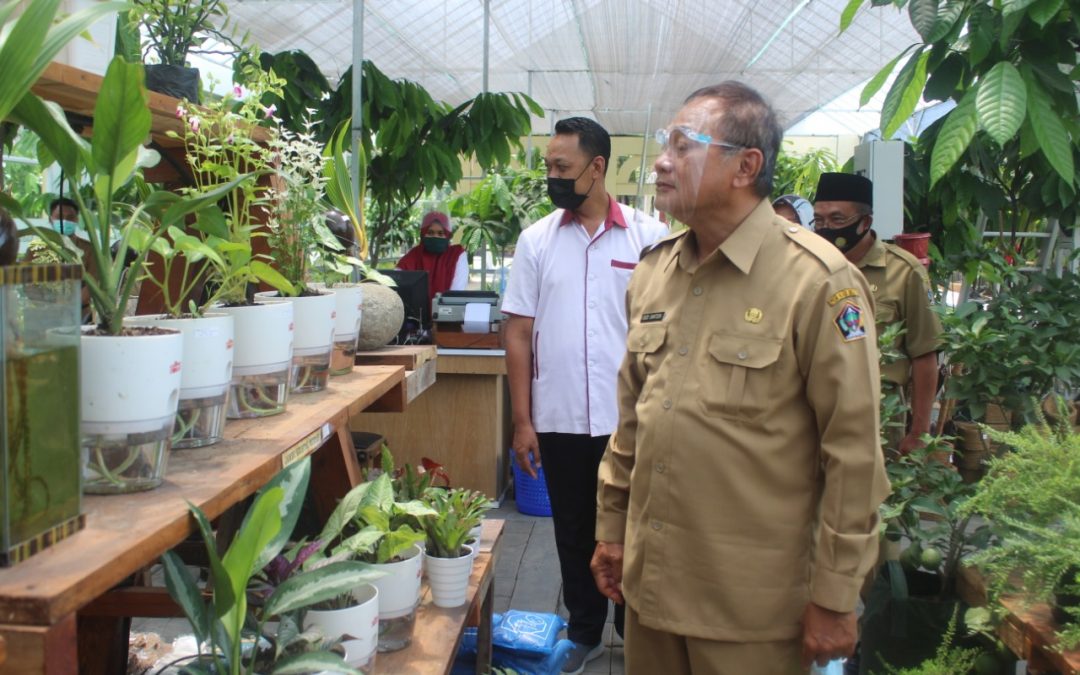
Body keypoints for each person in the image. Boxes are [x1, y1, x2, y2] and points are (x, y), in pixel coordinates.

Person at [590, 82, 889, 674]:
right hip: (650, 594)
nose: (662, 161)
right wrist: (611, 525)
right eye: (663, 143)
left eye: (684, 144)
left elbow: (853, 453)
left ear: (745, 166)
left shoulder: (819, 282)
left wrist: (835, 594)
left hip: (751, 612)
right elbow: (633, 422)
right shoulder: (654, 274)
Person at [502, 116, 667, 675]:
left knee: (638, 527)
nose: (552, 176)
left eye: (562, 168)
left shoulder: (649, 236)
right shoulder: (536, 241)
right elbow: (519, 332)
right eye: (548, 166)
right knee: (572, 527)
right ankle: (583, 630)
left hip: (635, 421)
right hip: (562, 415)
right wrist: (523, 422)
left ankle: (634, 630)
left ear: (597, 169)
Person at [812, 172, 943, 456]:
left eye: (837, 220)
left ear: (865, 222)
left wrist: (919, 432)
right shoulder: (806, 264)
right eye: (819, 220)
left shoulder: (903, 271)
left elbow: (924, 353)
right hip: (811, 410)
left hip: (878, 413)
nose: (826, 229)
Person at [396, 211, 469, 304]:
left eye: (440, 233)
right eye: (430, 232)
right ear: (423, 234)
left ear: (447, 235)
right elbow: (395, 280)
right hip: (416, 316)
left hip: (446, 314)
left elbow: (456, 293)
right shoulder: (414, 255)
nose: (435, 236)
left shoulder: (456, 255)